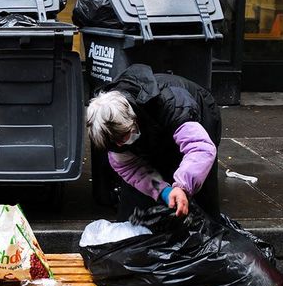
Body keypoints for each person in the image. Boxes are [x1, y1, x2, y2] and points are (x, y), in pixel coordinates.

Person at [86, 64, 221, 217]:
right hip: (152, 129)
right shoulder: (112, 135)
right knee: (138, 204)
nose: (119, 144)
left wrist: (182, 187)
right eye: (114, 141)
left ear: (133, 121)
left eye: (123, 136)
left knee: (200, 195)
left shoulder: (170, 103)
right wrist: (163, 191)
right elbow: (130, 168)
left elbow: (200, 148)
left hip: (196, 112)